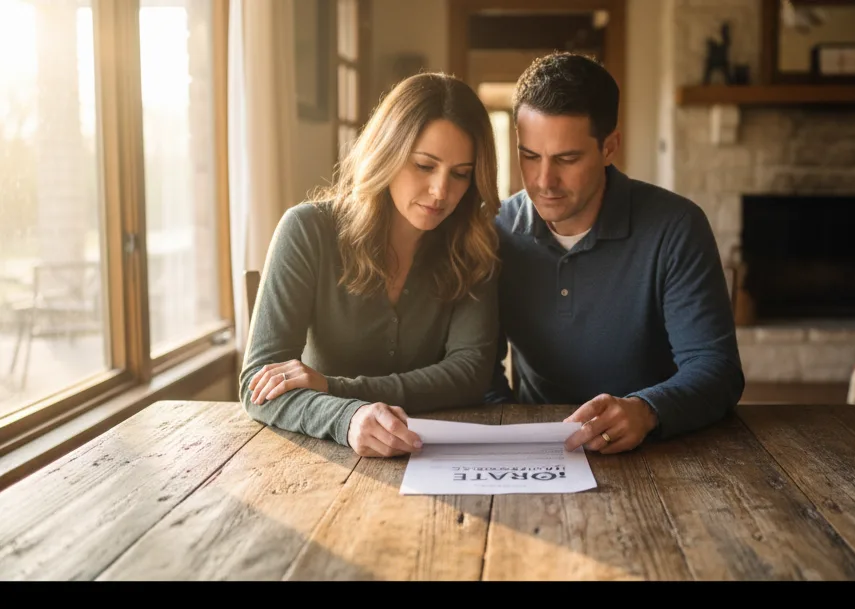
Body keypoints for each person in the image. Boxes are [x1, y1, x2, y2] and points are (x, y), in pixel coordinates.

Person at [485, 52, 745, 454]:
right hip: (538, 450)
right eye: (530, 156)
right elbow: (481, 368)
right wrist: (511, 430)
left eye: (567, 159)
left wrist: (647, 410)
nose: (544, 181)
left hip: (656, 449)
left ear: (610, 148)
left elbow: (718, 368)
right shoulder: (495, 231)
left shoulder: (676, 226)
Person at [241, 72, 501, 458]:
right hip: (323, 463)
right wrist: (348, 418)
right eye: (425, 166)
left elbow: (469, 373)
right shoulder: (307, 230)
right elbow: (258, 386)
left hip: (437, 455)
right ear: (388, 154)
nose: (441, 192)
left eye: (461, 174)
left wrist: (333, 388)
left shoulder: (473, 242)